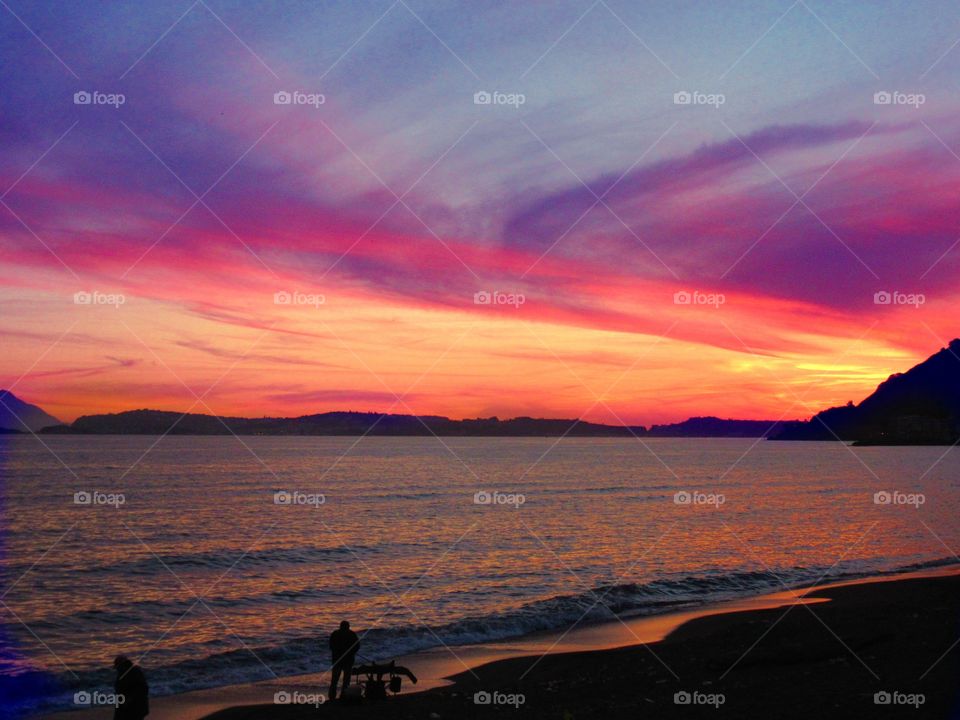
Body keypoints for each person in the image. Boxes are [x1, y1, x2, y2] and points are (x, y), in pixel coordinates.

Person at [328, 620, 359, 700]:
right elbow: (357, 646)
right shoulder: (352, 634)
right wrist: (351, 652)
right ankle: (343, 696)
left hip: (337, 660)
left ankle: (332, 696)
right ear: (348, 627)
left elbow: (331, 646)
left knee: (335, 680)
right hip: (347, 661)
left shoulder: (335, 634)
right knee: (346, 680)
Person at [113, 655, 149, 720]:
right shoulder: (127, 671)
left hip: (134, 708)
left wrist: (129, 699)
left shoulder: (132, 672)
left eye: (117, 666)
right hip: (134, 708)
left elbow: (142, 689)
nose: (117, 669)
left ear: (121, 664)